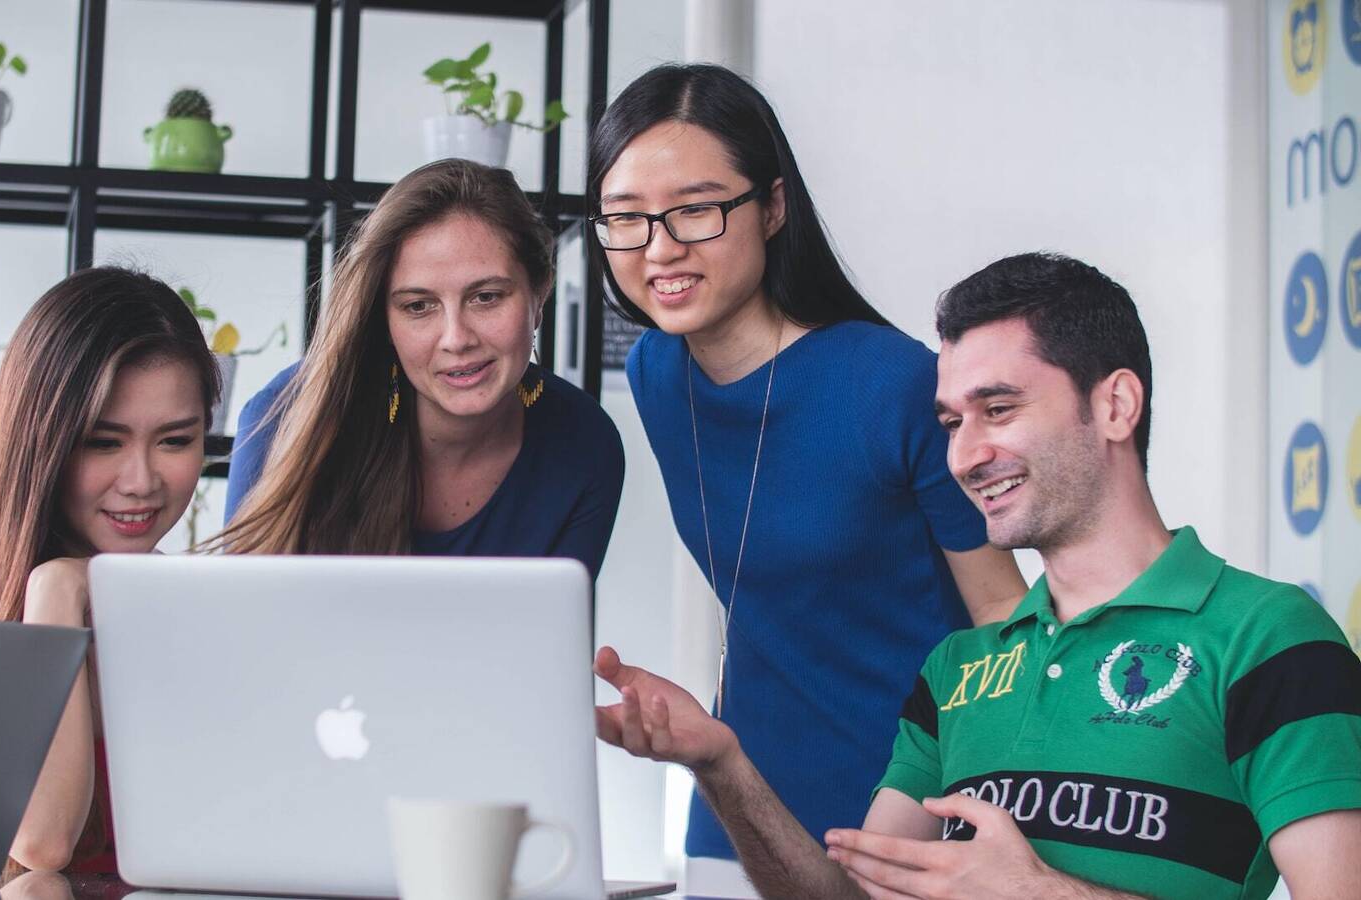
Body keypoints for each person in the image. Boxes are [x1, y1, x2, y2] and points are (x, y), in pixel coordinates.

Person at [594, 252, 1361, 899]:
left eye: (999, 408)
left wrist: (1043, 893)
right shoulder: (959, 668)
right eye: (954, 423)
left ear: (1117, 405)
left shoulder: (1269, 637)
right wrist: (722, 761)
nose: (965, 455)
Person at [585, 63, 1026, 891]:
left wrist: (990, 807)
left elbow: (1001, 615)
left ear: (774, 205)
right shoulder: (656, 373)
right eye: (627, 219)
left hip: (912, 804)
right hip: (741, 795)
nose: (661, 248)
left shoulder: (892, 384)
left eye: (697, 210)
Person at [0, 267, 220, 873]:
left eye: (175, 441)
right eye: (103, 442)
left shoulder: (176, 601)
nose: (141, 482)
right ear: (42, 440)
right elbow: (39, 844)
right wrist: (56, 594)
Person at [219, 159, 624, 576]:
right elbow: (242, 625)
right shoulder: (286, 417)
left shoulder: (585, 445)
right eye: (418, 306)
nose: (456, 338)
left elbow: (552, 635)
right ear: (384, 319)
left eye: (486, 297)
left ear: (539, 293)